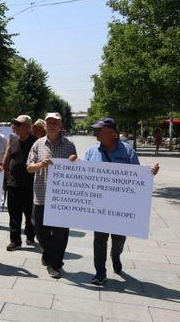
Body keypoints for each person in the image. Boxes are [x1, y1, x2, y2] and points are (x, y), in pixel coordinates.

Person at [84, 118, 160, 285]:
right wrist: (72, 164)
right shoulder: (91, 152)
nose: (96, 132)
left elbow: (137, 175)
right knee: (99, 239)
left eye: (100, 130)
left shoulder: (128, 151)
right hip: (100, 206)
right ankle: (100, 272)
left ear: (111, 133)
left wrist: (150, 173)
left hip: (121, 207)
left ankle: (116, 255)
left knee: (118, 240)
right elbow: (84, 176)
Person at [26, 112, 77, 278]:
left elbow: (76, 169)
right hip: (40, 195)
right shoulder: (38, 144)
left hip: (61, 197)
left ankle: (54, 264)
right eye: (49, 122)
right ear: (45, 125)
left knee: (61, 233)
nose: (52, 125)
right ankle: (48, 253)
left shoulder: (70, 145)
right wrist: (41, 164)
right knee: (38, 228)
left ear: (61, 125)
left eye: (55, 122)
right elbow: (29, 168)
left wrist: (74, 161)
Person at [3, 115, 37, 251]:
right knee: (14, 215)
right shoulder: (12, 139)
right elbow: (6, 159)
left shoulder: (36, 142)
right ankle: (15, 241)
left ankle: (30, 234)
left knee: (30, 215)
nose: (15, 127)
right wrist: (3, 176)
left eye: (19, 125)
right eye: (15, 124)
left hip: (30, 186)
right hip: (13, 184)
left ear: (29, 128)